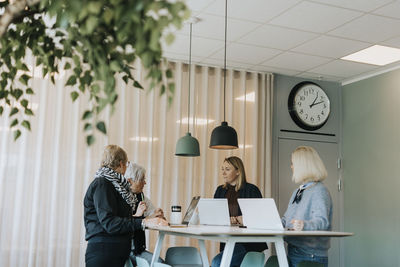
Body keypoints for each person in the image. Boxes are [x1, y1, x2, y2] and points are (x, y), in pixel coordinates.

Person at [84, 145, 168, 267]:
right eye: (127, 164)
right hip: (104, 254)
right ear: (121, 163)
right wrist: (143, 222)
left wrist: (145, 220)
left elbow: (121, 220)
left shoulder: (115, 186)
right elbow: (110, 223)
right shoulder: (103, 184)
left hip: (113, 254)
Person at [211, 156, 267, 267]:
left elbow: (261, 218)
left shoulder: (252, 190)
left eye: (227, 169)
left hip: (247, 244)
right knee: (217, 262)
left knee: (217, 263)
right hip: (228, 241)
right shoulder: (220, 190)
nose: (223, 173)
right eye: (222, 169)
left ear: (238, 171)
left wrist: (242, 220)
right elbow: (215, 215)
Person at [281, 146, 332, 267]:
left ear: (303, 166)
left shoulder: (319, 190)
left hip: (310, 255)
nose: (291, 167)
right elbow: (286, 220)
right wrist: (271, 222)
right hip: (293, 250)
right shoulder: (298, 191)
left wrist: (304, 225)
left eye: (293, 164)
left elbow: (322, 222)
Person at [125, 162, 165, 265]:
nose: (145, 183)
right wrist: (137, 215)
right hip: (126, 251)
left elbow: (156, 218)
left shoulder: (141, 197)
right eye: (142, 179)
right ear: (130, 181)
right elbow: (119, 222)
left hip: (138, 250)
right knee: (160, 264)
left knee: (160, 263)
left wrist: (157, 216)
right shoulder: (120, 198)